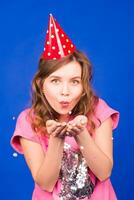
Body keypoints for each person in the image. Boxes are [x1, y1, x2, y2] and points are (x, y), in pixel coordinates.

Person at [10, 14, 120, 200]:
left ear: (84, 86)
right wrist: (56, 139)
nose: (65, 91)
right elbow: (45, 183)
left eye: (75, 82)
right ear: (41, 84)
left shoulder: (99, 110)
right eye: (55, 81)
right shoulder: (28, 120)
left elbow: (103, 172)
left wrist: (81, 133)